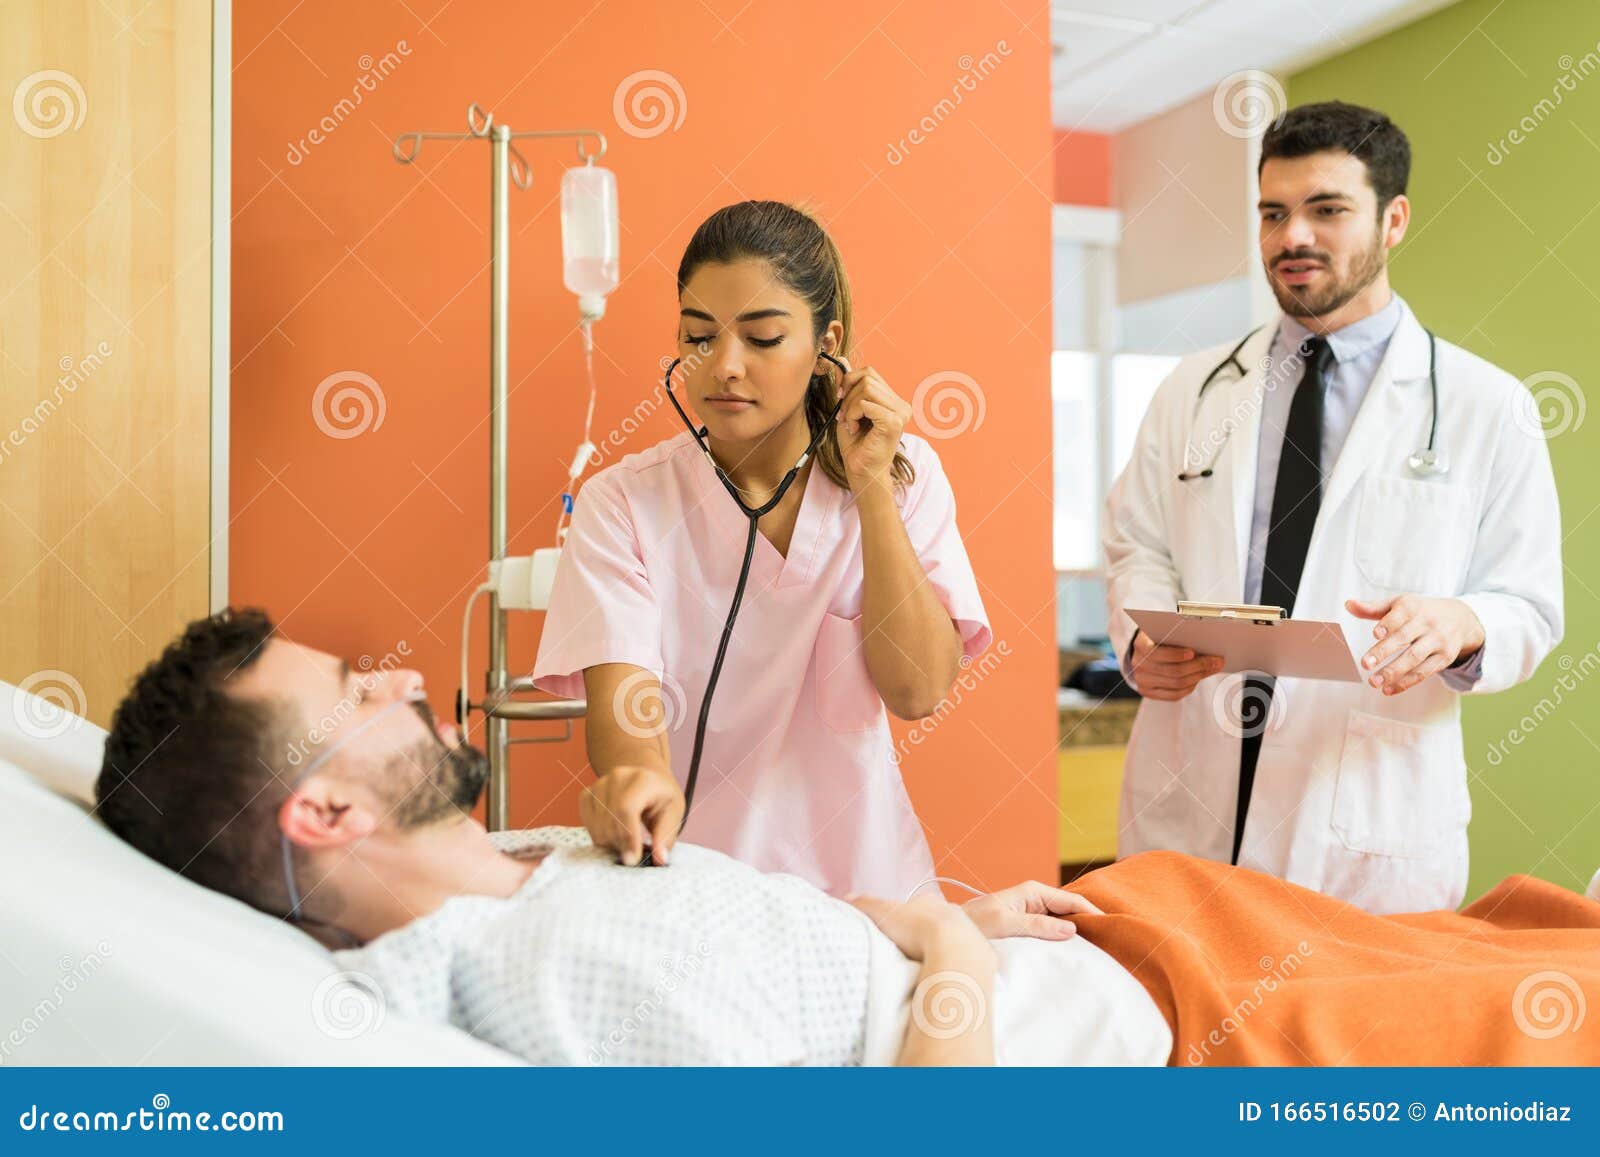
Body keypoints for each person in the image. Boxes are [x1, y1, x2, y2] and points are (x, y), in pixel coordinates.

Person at [95, 610, 1600, 1066]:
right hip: (1176, 1030)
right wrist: (945, 939)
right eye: (359, 694)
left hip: (1111, 932)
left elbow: (805, 969)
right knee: (1537, 1012)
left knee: (1510, 933)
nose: (405, 671)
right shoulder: (555, 973)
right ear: (328, 813)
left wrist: (942, 913)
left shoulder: (550, 867)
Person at [1103, 101, 1562, 913]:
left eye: (1327, 210)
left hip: (1363, 820)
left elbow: (1527, 605)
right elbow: (1137, 543)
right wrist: (1142, 636)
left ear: (1394, 220)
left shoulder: (1486, 406)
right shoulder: (1194, 389)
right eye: (1273, 213)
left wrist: (1461, 623)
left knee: (1345, 1038)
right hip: (1194, 795)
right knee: (1173, 1028)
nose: (1293, 238)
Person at [530, 201, 991, 898]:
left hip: (871, 895)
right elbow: (625, 712)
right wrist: (637, 777)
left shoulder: (903, 472)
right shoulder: (622, 503)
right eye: (698, 337)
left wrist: (868, 489)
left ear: (825, 344)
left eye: (764, 338)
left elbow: (918, 689)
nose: (725, 367)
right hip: (698, 891)